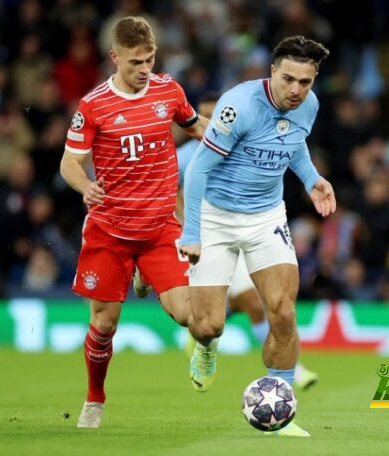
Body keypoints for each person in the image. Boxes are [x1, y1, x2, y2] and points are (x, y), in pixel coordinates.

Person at [179, 36, 336, 438]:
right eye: (289, 79)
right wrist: (193, 232)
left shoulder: (309, 106)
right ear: (272, 72)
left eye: (306, 81)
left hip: (267, 216)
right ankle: (207, 347)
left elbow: (294, 145)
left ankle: (280, 407)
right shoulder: (238, 106)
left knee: (283, 311)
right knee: (209, 324)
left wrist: (311, 178)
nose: (297, 90)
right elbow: (196, 170)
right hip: (216, 217)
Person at [59, 16, 207, 429]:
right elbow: (69, 163)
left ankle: (147, 276)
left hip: (160, 228)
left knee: (189, 317)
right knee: (104, 325)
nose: (144, 69)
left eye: (150, 59)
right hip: (110, 232)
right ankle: (94, 399)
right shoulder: (93, 106)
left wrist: (235, 142)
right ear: (114, 58)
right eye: (136, 62)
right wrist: (85, 186)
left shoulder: (168, 90)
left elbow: (197, 129)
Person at [134, 92, 319, 391]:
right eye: (204, 117)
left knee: (259, 305)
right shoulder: (183, 158)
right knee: (205, 321)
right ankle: (201, 338)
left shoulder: (242, 143)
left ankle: (291, 373)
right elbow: (156, 190)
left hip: (242, 232)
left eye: (215, 116)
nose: (211, 124)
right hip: (196, 238)